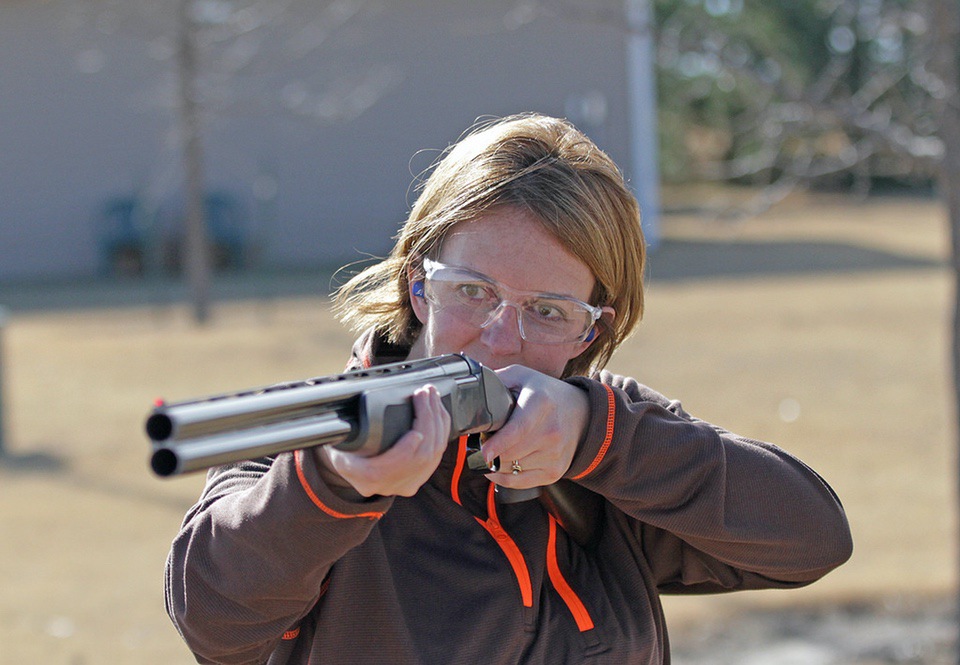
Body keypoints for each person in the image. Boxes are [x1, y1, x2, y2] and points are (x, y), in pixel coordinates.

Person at [164, 113, 852, 664]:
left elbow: (812, 539)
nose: (500, 338)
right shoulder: (315, 436)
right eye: (472, 292)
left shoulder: (609, 444)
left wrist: (596, 437)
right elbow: (214, 620)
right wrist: (336, 484)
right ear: (418, 284)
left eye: (547, 311)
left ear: (592, 330)